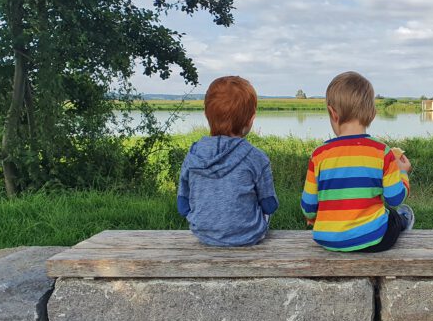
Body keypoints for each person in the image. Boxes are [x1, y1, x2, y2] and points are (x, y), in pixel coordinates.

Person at [301, 71, 414, 252]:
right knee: (392, 216)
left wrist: (315, 217)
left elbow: (308, 207)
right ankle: (403, 220)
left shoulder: (319, 155)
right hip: (374, 240)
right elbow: (395, 198)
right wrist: (402, 173)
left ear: (332, 113)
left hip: (327, 240)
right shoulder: (381, 152)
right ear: (373, 114)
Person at [177, 76, 278, 246]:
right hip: (249, 236)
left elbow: (182, 204)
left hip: (203, 234)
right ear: (251, 119)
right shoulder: (256, 157)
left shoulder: (193, 154)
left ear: (206, 115)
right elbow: (270, 206)